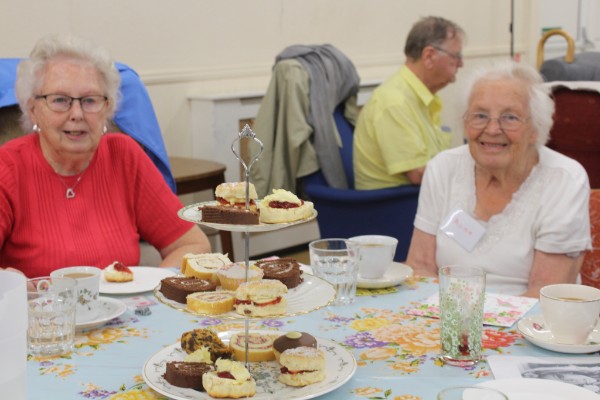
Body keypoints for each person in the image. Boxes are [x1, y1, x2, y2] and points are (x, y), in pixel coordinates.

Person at [0, 34, 210, 277]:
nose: (77, 113)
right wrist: (12, 289)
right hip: (39, 312)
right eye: (60, 100)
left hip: (126, 312)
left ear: (108, 109)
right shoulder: (7, 168)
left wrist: (152, 290)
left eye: (90, 100)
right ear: (33, 109)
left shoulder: (124, 156)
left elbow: (193, 245)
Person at [406, 61, 591, 297]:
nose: (492, 129)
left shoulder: (564, 180)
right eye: (480, 115)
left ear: (535, 128)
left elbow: (544, 296)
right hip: (445, 320)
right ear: (465, 123)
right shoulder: (443, 168)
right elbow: (420, 268)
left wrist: (472, 326)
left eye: (510, 118)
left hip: (529, 326)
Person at [353, 16, 465, 190]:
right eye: (456, 56)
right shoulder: (395, 102)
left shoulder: (422, 96)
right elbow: (419, 175)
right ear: (429, 56)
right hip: (394, 207)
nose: (461, 64)